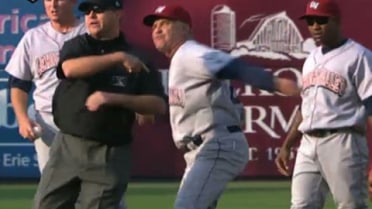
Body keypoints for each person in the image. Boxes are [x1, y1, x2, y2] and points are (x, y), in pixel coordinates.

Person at [142, 4, 300, 209]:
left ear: (186, 29)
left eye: (165, 24)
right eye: (154, 26)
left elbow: (234, 66)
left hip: (216, 145)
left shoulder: (190, 53)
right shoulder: (180, 60)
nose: (157, 29)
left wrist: (274, 83)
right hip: (204, 149)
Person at [33, 0, 166, 209]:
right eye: (87, 11)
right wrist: (118, 58)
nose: (91, 15)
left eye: (99, 10)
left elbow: (158, 105)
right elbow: (69, 69)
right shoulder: (78, 45)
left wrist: (116, 99)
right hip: (68, 146)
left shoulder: (138, 57)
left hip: (109, 152)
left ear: (119, 13)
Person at [275, 0, 372, 208]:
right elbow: (305, 106)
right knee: (301, 205)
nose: (315, 26)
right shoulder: (310, 58)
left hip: (343, 141)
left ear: (336, 21)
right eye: (310, 21)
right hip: (308, 143)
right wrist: (288, 144)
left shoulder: (359, 56)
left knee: (351, 205)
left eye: (321, 20)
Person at [5, 0, 86, 173]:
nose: (53, 5)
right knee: (53, 189)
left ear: (73, 2)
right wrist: (22, 119)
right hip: (47, 121)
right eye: (48, 0)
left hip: (86, 120)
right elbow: (19, 83)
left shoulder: (89, 32)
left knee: (99, 185)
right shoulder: (33, 37)